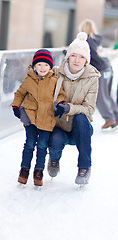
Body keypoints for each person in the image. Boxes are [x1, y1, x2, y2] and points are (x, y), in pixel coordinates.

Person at [47, 32, 100, 185]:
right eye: (74, 55)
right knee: (56, 139)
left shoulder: (92, 78)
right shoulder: (56, 73)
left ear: (86, 60)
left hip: (79, 129)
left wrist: (68, 108)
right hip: (59, 125)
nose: (77, 60)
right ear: (68, 56)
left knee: (81, 119)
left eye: (82, 57)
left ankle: (84, 167)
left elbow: (89, 109)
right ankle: (54, 159)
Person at [10, 49, 66, 186]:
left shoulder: (54, 81)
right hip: (30, 117)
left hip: (47, 118)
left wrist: (60, 104)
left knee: (42, 146)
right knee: (29, 144)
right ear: (34, 65)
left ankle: (38, 171)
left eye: (46, 65)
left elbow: (60, 95)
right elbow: (19, 94)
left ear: (50, 66)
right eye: (39, 64)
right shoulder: (28, 80)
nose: (43, 68)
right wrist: (16, 106)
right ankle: (24, 170)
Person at [79, 19, 118, 129]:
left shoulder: (86, 41)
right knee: (107, 95)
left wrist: (66, 52)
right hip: (107, 68)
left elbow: (83, 54)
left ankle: (110, 119)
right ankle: (115, 116)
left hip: (101, 70)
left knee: (101, 96)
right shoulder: (96, 40)